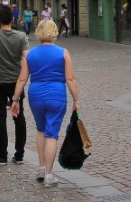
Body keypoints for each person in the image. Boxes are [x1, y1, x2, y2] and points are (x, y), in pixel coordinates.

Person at [10, 19, 80, 188]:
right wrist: (76, 100)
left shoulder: (31, 54)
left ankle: (41, 168)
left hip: (36, 95)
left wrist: (15, 99)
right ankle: (49, 175)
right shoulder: (63, 53)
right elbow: (70, 79)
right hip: (56, 94)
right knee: (52, 134)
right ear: (54, 32)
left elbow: (22, 79)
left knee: (41, 130)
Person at [0, 4, 29, 165]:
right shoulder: (21, 36)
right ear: (13, 19)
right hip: (16, 81)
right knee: (19, 116)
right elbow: (26, 56)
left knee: (0, 117)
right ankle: (19, 155)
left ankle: (2, 155)